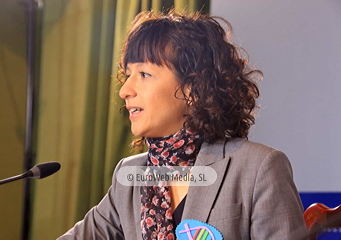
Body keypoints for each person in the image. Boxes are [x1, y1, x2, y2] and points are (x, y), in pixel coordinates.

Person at [58, 9, 307, 240]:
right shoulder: (129, 176)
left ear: (193, 89)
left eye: (144, 74)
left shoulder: (259, 168)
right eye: (127, 75)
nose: (124, 90)